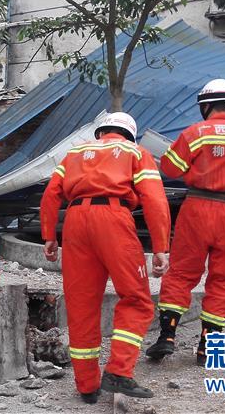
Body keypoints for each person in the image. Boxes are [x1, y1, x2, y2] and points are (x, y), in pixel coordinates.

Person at [40, 112, 171, 403]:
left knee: (81, 304)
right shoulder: (135, 152)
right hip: (113, 217)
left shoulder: (74, 153)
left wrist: (49, 235)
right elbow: (154, 199)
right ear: (129, 134)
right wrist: (160, 247)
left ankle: (87, 386)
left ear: (101, 132)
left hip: (74, 222)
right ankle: (119, 372)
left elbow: (50, 195)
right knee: (136, 299)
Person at [146, 79, 225, 366]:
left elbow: (171, 167)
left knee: (181, 273)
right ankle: (208, 347)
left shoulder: (195, 133)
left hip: (198, 209)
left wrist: (195, 171)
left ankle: (167, 336)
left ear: (206, 106)